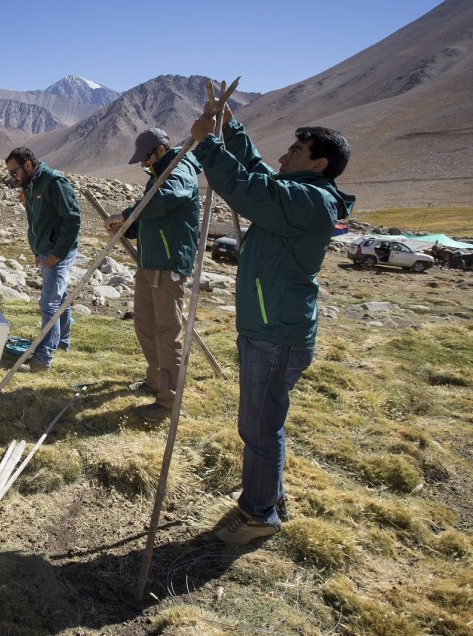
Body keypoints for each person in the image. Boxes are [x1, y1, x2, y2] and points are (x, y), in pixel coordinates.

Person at [189, 104, 355, 544]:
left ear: (319, 163)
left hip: (275, 335)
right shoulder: (298, 193)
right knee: (265, 425)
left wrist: (208, 144)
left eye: (295, 151)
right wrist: (231, 128)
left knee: (259, 429)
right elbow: (259, 173)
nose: (283, 156)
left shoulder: (309, 201)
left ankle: (258, 516)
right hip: (270, 328)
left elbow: (248, 188)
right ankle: (269, 496)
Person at [103, 128, 201, 422]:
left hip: (168, 265)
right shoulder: (158, 173)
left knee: (167, 333)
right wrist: (127, 228)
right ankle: (155, 380)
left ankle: (169, 401)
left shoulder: (180, 169)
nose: (144, 165)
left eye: (146, 159)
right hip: (149, 264)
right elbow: (149, 219)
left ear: (160, 150)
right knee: (145, 326)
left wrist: (126, 214)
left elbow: (164, 201)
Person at [5, 147, 82, 371]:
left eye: (14, 172)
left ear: (28, 165)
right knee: (60, 297)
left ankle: (42, 359)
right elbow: (36, 221)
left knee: (49, 304)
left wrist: (57, 254)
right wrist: (37, 251)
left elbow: (73, 219)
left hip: (59, 250)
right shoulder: (30, 185)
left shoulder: (54, 182)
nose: (13, 178)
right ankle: (62, 342)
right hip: (46, 250)